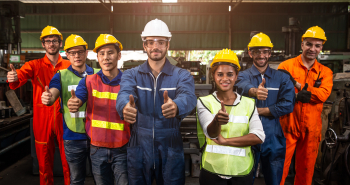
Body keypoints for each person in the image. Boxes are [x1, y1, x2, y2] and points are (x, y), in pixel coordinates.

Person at [116, 18, 197, 185]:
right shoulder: (131, 74)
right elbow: (124, 93)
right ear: (144, 45)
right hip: (139, 142)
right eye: (150, 42)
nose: (155, 46)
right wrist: (125, 106)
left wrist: (177, 105)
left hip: (170, 143)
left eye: (161, 42)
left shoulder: (181, 75)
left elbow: (188, 97)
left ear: (168, 45)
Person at [7, 26, 71, 185]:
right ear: (43, 44)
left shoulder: (69, 65)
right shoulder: (34, 65)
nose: (51, 44)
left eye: (54, 40)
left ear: (60, 43)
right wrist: (13, 77)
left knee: (69, 161)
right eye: (47, 41)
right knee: (44, 163)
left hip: (65, 118)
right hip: (42, 119)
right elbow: (18, 78)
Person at [67, 34, 129, 185]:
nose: (106, 57)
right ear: (97, 57)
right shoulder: (88, 81)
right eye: (102, 54)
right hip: (97, 149)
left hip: (122, 147)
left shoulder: (128, 82)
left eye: (110, 53)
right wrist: (75, 102)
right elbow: (79, 97)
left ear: (118, 55)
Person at [197, 48, 265, 185]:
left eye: (229, 74)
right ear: (213, 76)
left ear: (236, 76)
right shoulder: (204, 102)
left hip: (241, 171)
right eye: (220, 74)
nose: (225, 79)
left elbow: (259, 136)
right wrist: (216, 121)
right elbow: (210, 133)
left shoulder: (249, 103)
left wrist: (226, 141)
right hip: (212, 171)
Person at [234, 32, 295, 185]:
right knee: (244, 180)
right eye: (257, 51)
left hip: (273, 136)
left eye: (265, 51)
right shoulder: (242, 76)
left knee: (274, 181)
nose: (261, 55)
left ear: (269, 53)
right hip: (246, 134)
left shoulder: (282, 78)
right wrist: (254, 91)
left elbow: (288, 104)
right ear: (250, 53)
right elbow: (241, 87)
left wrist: (259, 111)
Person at [278, 26, 333, 185]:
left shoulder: (325, 72)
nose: (312, 49)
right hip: (288, 125)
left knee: (306, 171)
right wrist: (298, 96)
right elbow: (279, 94)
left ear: (322, 47)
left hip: (311, 128)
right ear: (302, 44)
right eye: (309, 44)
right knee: (279, 169)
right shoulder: (286, 66)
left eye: (317, 45)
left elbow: (323, 95)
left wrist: (298, 86)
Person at [41, 34, 99, 185]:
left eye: (80, 51)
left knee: (101, 179)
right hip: (73, 137)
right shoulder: (61, 76)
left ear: (86, 53)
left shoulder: (98, 74)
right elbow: (53, 92)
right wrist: (48, 98)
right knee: (76, 179)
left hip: (97, 136)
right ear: (67, 55)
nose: (77, 56)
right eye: (72, 53)